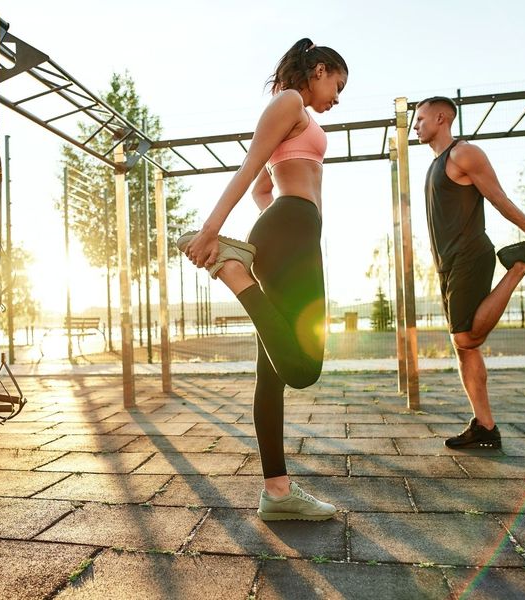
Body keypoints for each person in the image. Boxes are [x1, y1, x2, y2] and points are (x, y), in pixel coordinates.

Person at [178, 38, 348, 520]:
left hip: (290, 231)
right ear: (319, 70)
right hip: (289, 229)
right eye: (338, 84)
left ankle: (276, 492)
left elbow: (263, 188)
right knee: (304, 368)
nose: (338, 97)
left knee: (271, 372)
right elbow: (251, 167)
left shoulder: (301, 116)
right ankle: (235, 272)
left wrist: (286, 228)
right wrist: (212, 230)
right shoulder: (291, 102)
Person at [413, 96, 525, 449]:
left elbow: (498, 197)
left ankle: (520, 264)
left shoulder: (464, 153)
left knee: (467, 338)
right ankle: (485, 426)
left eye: (421, 119)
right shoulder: (435, 164)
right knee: (463, 348)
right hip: (448, 261)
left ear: (441, 117)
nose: (416, 125)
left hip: (470, 254)